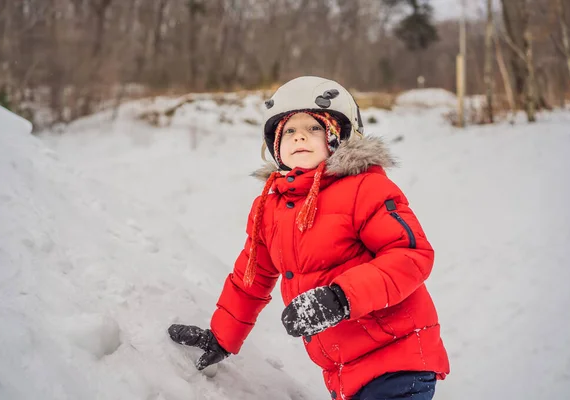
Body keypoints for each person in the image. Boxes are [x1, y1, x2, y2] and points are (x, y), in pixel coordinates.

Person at [168, 76, 450, 400]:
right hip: (345, 375)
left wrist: (341, 298)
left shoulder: (365, 188)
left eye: (314, 127)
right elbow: (250, 278)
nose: (299, 135)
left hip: (399, 359)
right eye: (289, 130)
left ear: (339, 137)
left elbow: (411, 254)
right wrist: (221, 338)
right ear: (275, 145)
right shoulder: (269, 209)